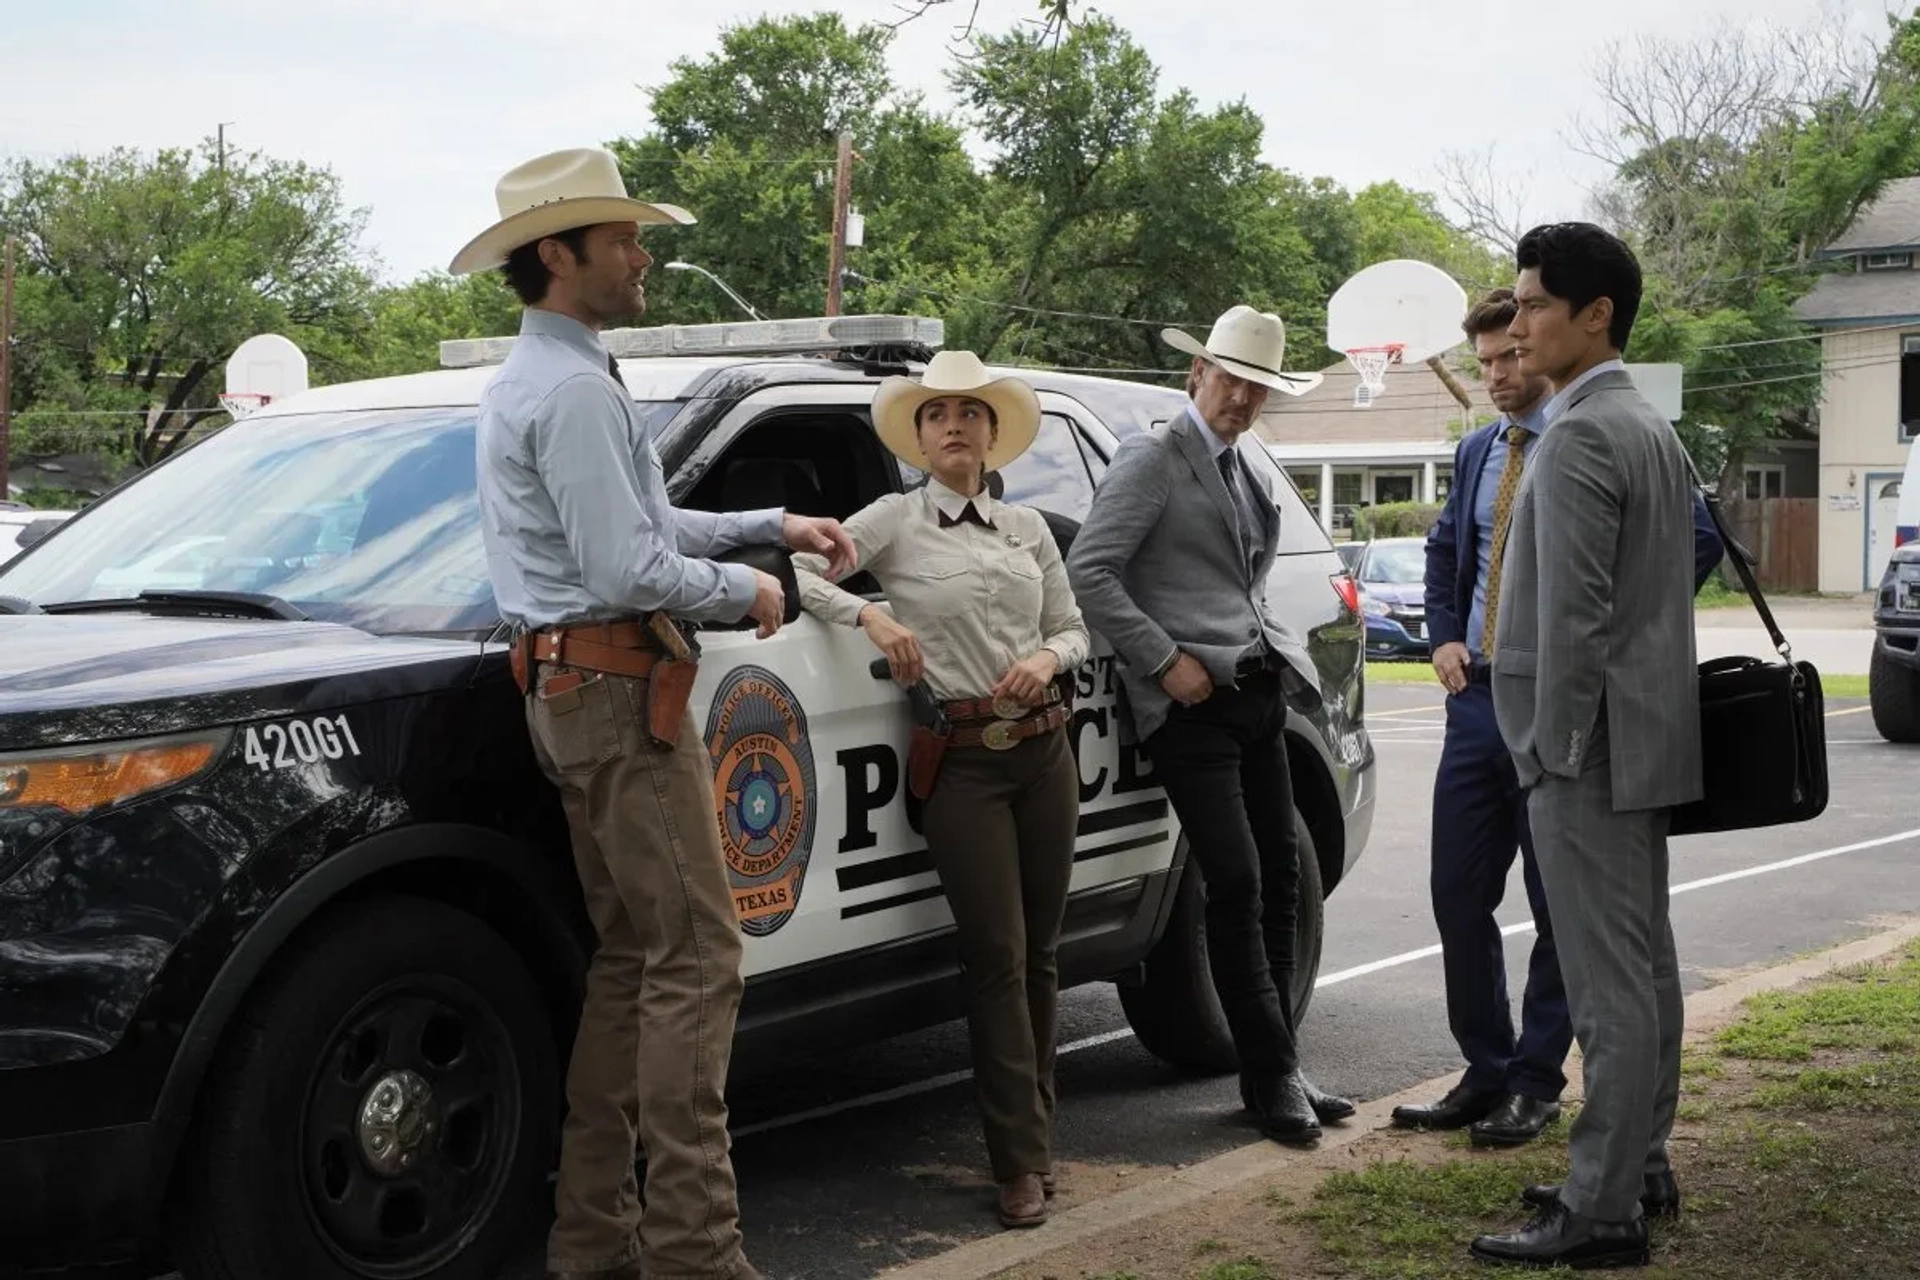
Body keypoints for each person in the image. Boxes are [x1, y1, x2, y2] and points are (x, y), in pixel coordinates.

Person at [455, 146, 856, 1280]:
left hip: (581, 691)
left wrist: (767, 522)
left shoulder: (548, 377)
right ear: (557, 254)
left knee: (636, 959)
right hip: (621, 693)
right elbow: (629, 563)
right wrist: (752, 587)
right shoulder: (576, 387)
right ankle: (696, 1250)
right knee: (694, 958)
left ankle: (593, 1238)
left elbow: (640, 522)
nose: (644, 257)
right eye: (623, 239)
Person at [1402, 293, 1724, 1149]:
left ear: (1539, 347)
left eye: (1509, 356)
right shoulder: (1479, 452)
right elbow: (1444, 551)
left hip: (1563, 705)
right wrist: (1442, 636)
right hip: (1479, 702)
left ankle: (1538, 1082)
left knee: (1563, 908)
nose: (1499, 376)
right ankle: (1487, 1066)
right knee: (1457, 893)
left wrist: (1623, 642)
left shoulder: (1595, 435)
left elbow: (1694, 538)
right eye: (1485, 364)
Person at [791, 350, 1088, 1230]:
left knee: (1040, 955)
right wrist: (873, 612)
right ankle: (1018, 1163)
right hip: (963, 762)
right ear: (918, 439)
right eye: (936, 415)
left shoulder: (1027, 528)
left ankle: (1037, 1136)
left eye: (969, 412)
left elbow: (1073, 627)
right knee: (995, 958)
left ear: (994, 434)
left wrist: (1045, 658)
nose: (953, 425)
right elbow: (803, 574)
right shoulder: (893, 519)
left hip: (1046, 755)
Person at [1469, 223, 1704, 1271]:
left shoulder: (1578, 433)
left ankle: (1602, 1204)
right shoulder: (1645, 421)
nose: (1516, 325)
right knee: (1642, 966)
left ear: (1594, 313)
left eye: (1531, 304)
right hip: (1641, 735)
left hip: (1587, 747)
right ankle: (1637, 1161)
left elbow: (1572, 618)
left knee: (1611, 989)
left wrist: (1548, 749)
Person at [1067, 305, 1355, 1145]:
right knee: (1233, 884)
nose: (1241, 398)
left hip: (1258, 695)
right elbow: (1092, 569)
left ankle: (1281, 1067)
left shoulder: (1242, 467)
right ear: (1196, 375)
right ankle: (1270, 1081)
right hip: (1189, 706)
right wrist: (1162, 661)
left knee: (1282, 881)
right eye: (1229, 380)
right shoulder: (1152, 457)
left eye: (1257, 387)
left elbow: (1239, 579)